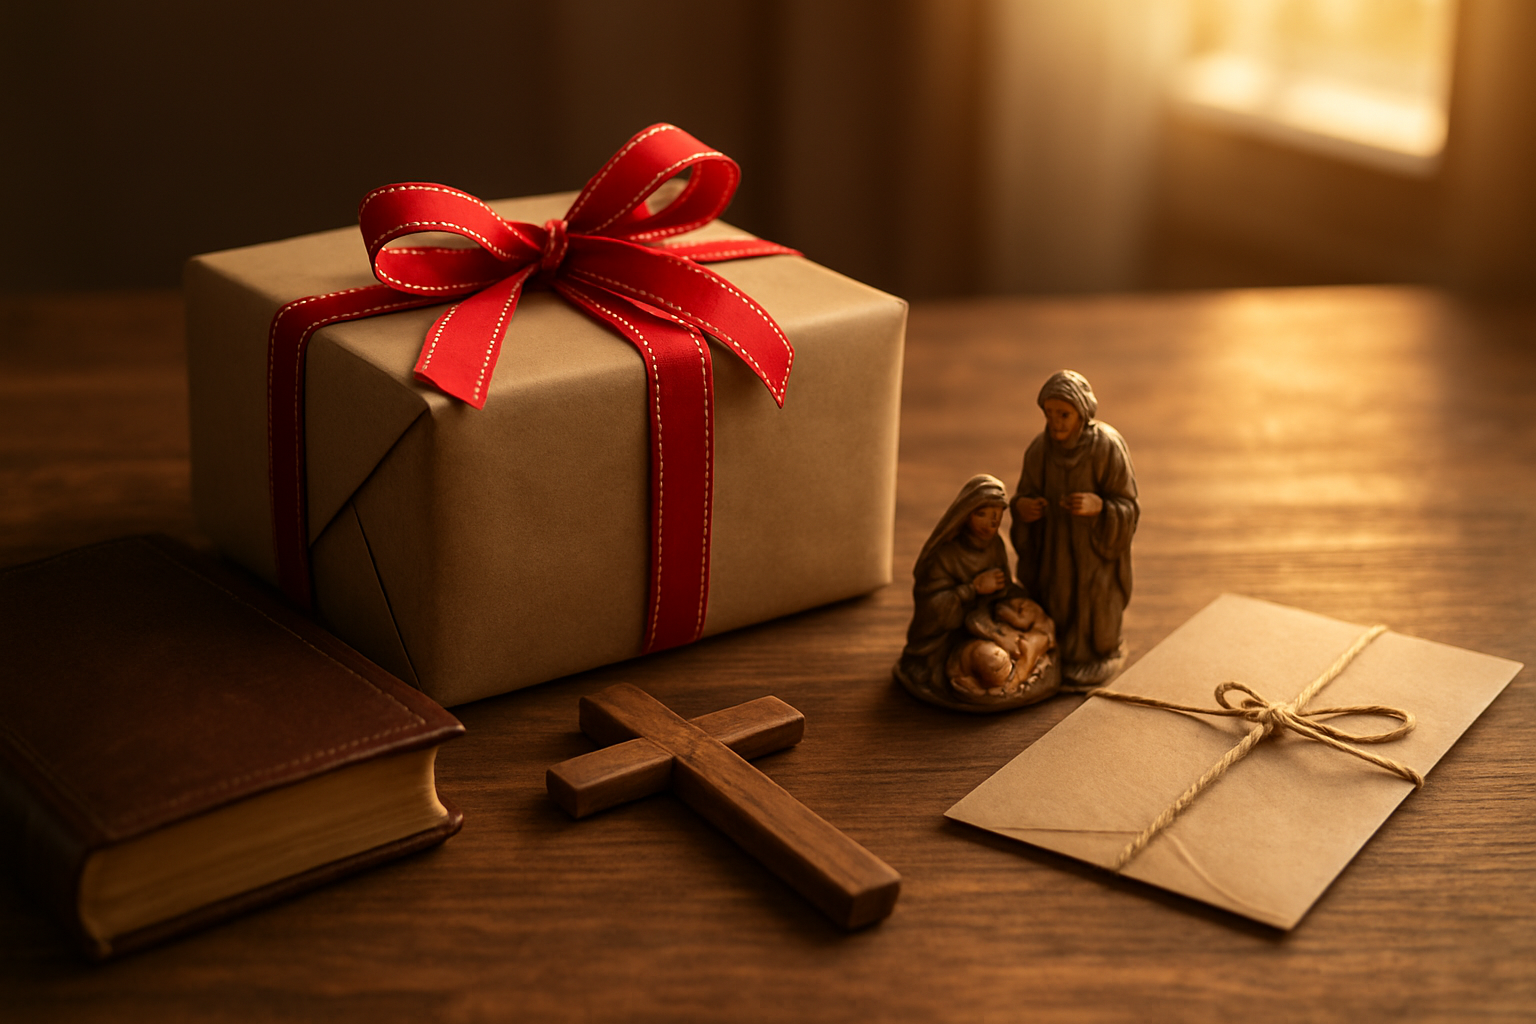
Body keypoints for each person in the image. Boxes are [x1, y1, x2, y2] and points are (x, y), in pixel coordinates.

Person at [1010, 370, 1138, 687]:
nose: (1056, 422)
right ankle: (1057, 653)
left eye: (1064, 414)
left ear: (1082, 412)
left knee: (1097, 610)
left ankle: (1098, 655)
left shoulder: (1107, 446)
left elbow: (1128, 506)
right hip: (1055, 551)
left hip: (1096, 552)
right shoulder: (1039, 451)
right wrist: (1023, 508)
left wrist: (1101, 507)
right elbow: (1022, 496)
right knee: (1058, 601)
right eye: (1050, 414)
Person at [894, 475, 1058, 711]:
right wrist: (973, 589)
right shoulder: (945, 555)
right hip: (950, 635)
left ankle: (1017, 670)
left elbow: (1002, 590)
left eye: (996, 517)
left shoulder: (995, 545)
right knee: (994, 663)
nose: (989, 524)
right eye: (982, 514)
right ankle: (989, 678)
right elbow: (931, 605)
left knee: (1036, 631)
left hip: (988, 619)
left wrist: (1019, 599)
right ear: (966, 514)